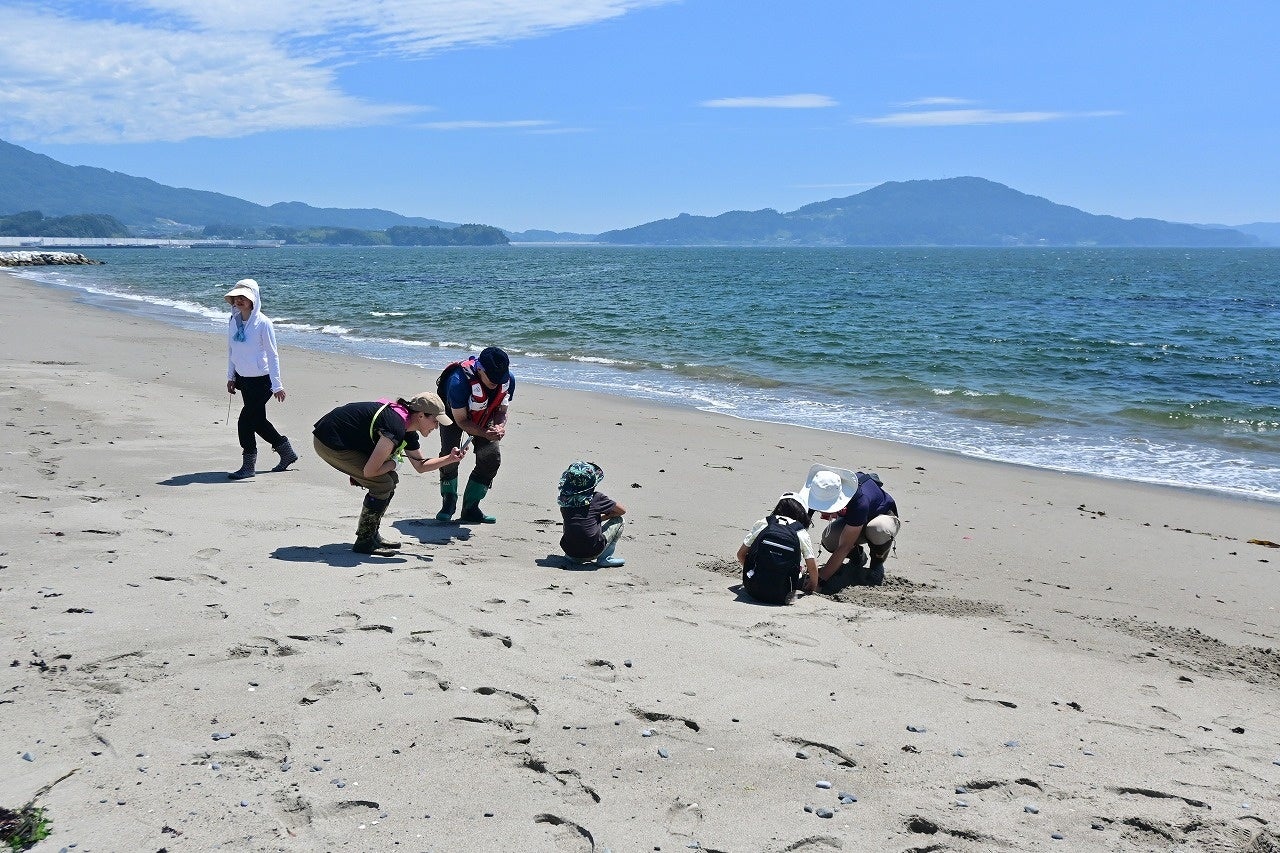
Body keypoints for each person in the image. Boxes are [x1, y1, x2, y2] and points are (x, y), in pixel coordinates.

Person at [313, 392, 466, 554]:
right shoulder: (395, 426)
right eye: (435, 421)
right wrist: (394, 462)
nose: (436, 427)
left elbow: (421, 465)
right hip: (329, 440)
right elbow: (370, 471)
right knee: (382, 483)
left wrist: (450, 459)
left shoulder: (407, 428)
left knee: (390, 479)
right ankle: (364, 541)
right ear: (421, 416)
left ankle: (371, 534)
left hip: (341, 437)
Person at [224, 278, 297, 480]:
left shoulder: (263, 323)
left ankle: (248, 467)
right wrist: (231, 376)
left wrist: (277, 385)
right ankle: (286, 452)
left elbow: (273, 355)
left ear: (253, 300)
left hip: (263, 380)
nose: (239, 301)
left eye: (244, 298)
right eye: (236, 297)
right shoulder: (233, 321)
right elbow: (232, 350)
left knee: (244, 423)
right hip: (243, 379)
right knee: (257, 421)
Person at [434, 347, 514, 524]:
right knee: (450, 454)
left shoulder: (508, 380)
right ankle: (448, 502)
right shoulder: (458, 382)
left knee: (492, 458)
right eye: (492, 378)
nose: (496, 382)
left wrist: (500, 426)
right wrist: (484, 433)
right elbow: (462, 421)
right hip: (454, 415)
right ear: (480, 369)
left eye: (499, 378)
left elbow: (502, 410)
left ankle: (471, 507)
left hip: (485, 414)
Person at [799, 464, 900, 588]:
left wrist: (819, 580)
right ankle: (857, 558)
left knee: (878, 529)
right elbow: (798, 530)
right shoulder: (819, 490)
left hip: (881, 517)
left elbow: (844, 546)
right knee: (829, 539)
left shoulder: (859, 501)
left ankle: (877, 563)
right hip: (853, 522)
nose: (822, 512)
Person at [736, 493, 819, 604]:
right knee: (801, 569)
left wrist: (751, 571)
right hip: (784, 594)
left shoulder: (764, 523)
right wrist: (811, 586)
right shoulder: (800, 532)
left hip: (753, 589)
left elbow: (740, 554)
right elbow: (812, 566)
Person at [557, 461, 627, 568]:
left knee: (570, 520)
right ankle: (605, 558)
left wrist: (597, 518)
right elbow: (622, 511)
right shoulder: (597, 498)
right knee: (619, 520)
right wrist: (602, 517)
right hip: (594, 550)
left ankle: (572, 557)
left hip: (569, 550)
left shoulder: (564, 500)